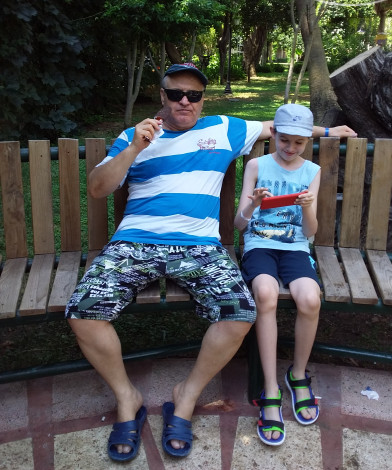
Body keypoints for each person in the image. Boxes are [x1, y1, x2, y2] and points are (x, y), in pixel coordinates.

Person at [65, 63, 356, 462]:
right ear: (162, 95)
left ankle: (186, 397)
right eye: (176, 93)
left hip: (200, 246)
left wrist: (330, 131)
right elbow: (98, 188)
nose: (185, 101)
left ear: (203, 100)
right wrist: (134, 148)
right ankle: (126, 397)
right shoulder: (135, 136)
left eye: (194, 95)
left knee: (240, 313)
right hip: (134, 242)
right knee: (83, 311)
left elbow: (278, 127)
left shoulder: (224, 128)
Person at [234, 103, 322, 447]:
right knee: (265, 293)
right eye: (284, 140)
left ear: (307, 141)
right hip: (259, 245)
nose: (290, 148)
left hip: (295, 248)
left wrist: (308, 208)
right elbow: (239, 224)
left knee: (310, 299)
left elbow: (310, 232)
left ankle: (297, 375)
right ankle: (270, 388)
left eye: (299, 143)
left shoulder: (312, 170)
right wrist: (254, 204)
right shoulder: (256, 165)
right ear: (273, 134)